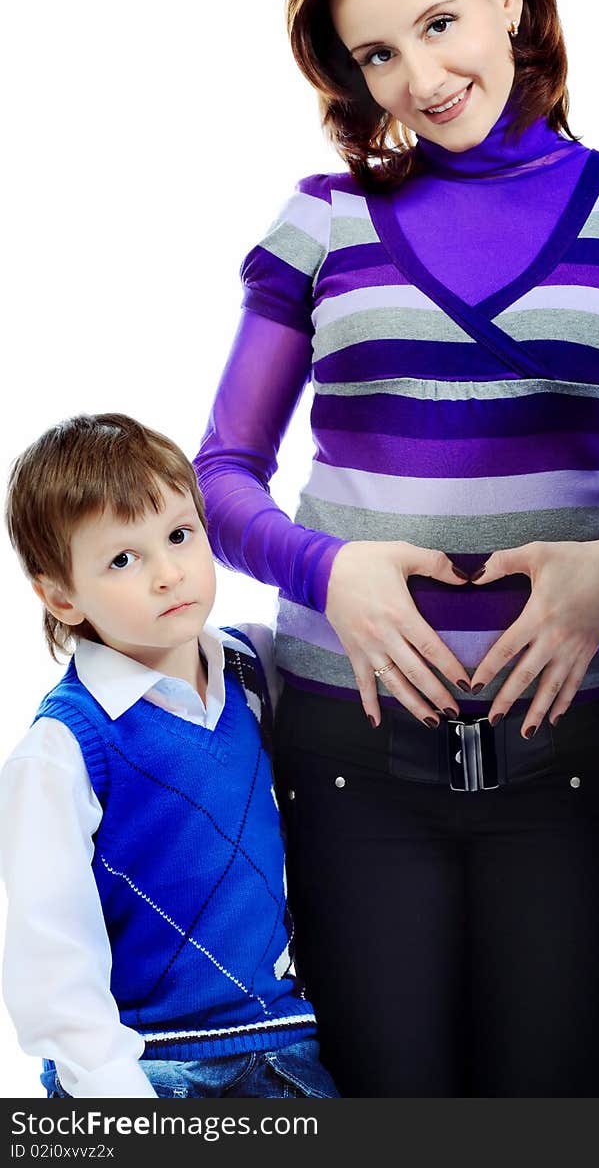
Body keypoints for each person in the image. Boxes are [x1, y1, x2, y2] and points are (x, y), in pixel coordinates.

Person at [194, 0, 599, 1097]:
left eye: (437, 24)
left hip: (574, 751)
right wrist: (332, 572)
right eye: (376, 54)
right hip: (348, 753)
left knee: (556, 1097)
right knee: (390, 1102)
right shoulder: (321, 223)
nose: (419, 80)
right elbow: (221, 475)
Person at [0, 413, 338, 1100]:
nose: (168, 575)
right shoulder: (66, 749)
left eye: (180, 536)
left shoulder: (253, 668)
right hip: (153, 1069)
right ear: (60, 595)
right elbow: (51, 955)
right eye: (123, 559)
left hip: (286, 1045)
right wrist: (118, 1097)